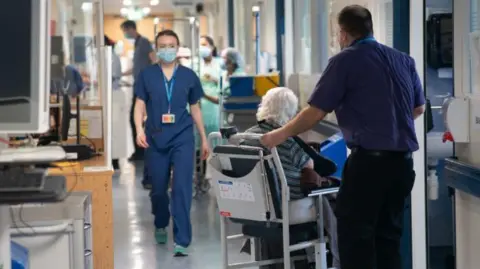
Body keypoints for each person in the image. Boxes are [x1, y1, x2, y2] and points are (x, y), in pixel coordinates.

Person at [260, 5, 425, 269]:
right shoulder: (403, 59)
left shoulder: (344, 61)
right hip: (402, 165)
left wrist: (277, 136)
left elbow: (315, 112)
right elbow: (417, 108)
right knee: (389, 241)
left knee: (355, 241)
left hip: (369, 166)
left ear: (343, 33)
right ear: (370, 28)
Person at [241, 87, 340, 269]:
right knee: (330, 199)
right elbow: (309, 165)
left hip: (255, 207)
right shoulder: (284, 138)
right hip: (285, 204)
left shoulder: (246, 137)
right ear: (290, 113)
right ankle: (333, 258)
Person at [133, 29, 209, 257]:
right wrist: (138, 129)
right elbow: (139, 104)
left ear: (178, 48)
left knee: (182, 189)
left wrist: (204, 138)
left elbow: (195, 108)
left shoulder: (188, 76)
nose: (167, 49)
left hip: (183, 137)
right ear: (156, 49)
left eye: (171, 45)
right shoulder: (146, 75)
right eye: (162, 46)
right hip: (156, 137)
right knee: (158, 190)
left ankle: (182, 240)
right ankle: (160, 221)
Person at [120, 20, 157, 189]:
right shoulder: (137, 45)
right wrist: (119, 74)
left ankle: (141, 151)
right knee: (134, 120)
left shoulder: (144, 42)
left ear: (131, 28)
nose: (125, 34)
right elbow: (136, 67)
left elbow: (153, 60)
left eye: (125, 31)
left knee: (139, 120)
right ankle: (139, 151)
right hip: (138, 86)